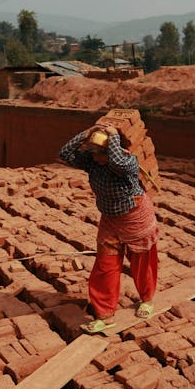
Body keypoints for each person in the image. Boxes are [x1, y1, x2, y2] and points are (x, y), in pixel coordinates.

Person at [58, 124, 159, 333]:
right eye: (93, 152)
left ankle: (147, 300)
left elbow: (119, 163)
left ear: (112, 149)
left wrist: (113, 137)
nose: (94, 156)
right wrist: (86, 134)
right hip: (110, 220)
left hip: (135, 217)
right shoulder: (93, 163)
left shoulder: (128, 161)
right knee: (105, 266)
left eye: (99, 152)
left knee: (142, 262)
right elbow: (65, 153)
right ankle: (105, 314)